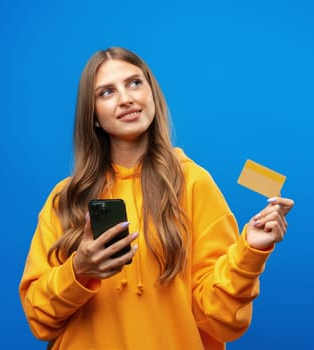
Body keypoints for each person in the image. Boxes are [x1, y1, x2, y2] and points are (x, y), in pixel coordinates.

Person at [19, 47, 295, 350]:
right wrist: (79, 270)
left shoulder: (193, 183)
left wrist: (251, 251)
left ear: (153, 94)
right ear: (92, 114)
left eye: (135, 83)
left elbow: (222, 320)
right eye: (107, 92)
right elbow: (38, 318)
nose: (126, 98)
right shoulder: (66, 198)